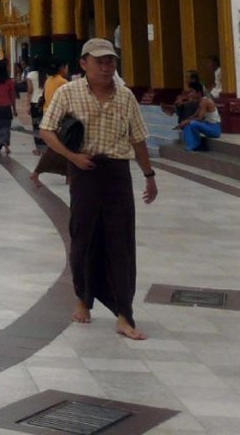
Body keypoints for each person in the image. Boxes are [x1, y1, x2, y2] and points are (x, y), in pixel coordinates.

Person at [40, 38, 156, 340]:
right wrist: (72, 157)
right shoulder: (68, 92)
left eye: (111, 61)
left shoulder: (126, 97)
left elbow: (138, 138)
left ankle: (124, 314)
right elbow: (46, 129)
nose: (106, 67)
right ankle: (83, 299)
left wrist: (149, 175)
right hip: (84, 171)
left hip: (117, 172)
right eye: (100, 61)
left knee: (121, 242)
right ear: (84, 64)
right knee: (84, 237)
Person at [180, 86, 222, 152]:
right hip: (207, 125)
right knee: (188, 124)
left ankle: (195, 144)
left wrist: (186, 121)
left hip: (214, 129)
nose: (190, 94)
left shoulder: (205, 101)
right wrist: (184, 122)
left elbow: (199, 119)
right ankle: (191, 145)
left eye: (192, 91)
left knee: (192, 123)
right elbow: (194, 116)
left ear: (198, 93)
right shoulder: (201, 101)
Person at [0, 57, 17, 156]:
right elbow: (12, 96)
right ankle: (5, 143)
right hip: (6, 107)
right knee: (6, 126)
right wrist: (14, 109)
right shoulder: (9, 82)